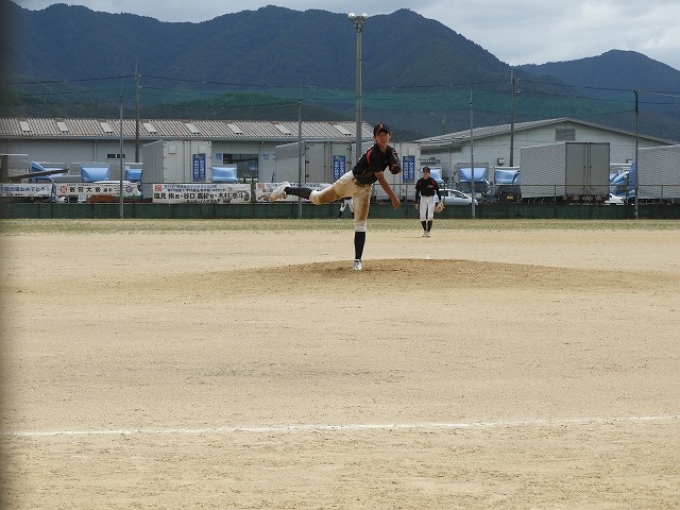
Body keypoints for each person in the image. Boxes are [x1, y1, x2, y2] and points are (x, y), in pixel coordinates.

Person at [269, 122, 402, 270]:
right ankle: (286, 189)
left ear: (390, 135)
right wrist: (393, 197)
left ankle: (357, 261)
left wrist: (396, 166)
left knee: (360, 223)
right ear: (374, 137)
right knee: (318, 198)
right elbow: (380, 178)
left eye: (385, 134)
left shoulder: (390, 151)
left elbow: (395, 165)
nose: (383, 137)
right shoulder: (374, 154)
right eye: (379, 134)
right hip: (350, 182)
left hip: (365, 189)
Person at [414, 166, 442, 237]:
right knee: (422, 216)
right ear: (422, 173)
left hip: (431, 198)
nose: (425, 173)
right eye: (424, 172)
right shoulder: (420, 181)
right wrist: (416, 202)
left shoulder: (432, 181)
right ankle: (425, 231)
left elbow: (437, 190)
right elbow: (417, 192)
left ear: (429, 173)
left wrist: (440, 200)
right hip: (423, 198)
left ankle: (428, 231)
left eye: (427, 172)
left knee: (430, 216)